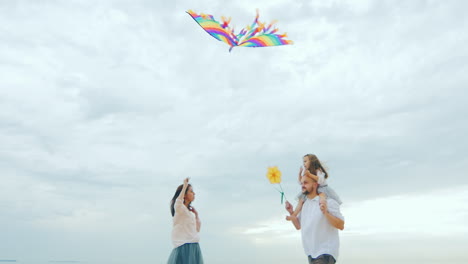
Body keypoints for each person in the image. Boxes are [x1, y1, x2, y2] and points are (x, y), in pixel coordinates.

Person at [285, 175, 345, 264]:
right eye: (301, 183)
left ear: (315, 184)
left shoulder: (329, 202)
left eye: (305, 182)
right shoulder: (305, 204)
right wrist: (291, 212)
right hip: (311, 253)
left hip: (325, 252)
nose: (302, 185)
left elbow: (341, 225)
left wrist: (325, 213)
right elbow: (298, 226)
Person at [287, 154, 342, 221]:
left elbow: (321, 180)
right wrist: (300, 173)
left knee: (322, 196)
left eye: (305, 161)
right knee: (301, 201)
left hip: (322, 188)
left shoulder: (317, 170)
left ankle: (322, 207)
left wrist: (310, 175)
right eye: (303, 162)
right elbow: (300, 182)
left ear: (311, 161)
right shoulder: (305, 171)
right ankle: (294, 215)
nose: (304, 163)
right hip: (312, 189)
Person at [167, 177, 204, 264]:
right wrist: (185, 186)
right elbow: (178, 201)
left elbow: (197, 230)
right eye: (191, 191)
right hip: (185, 247)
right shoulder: (180, 209)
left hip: (194, 247)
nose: (194, 193)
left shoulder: (188, 213)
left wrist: (196, 215)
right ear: (184, 194)